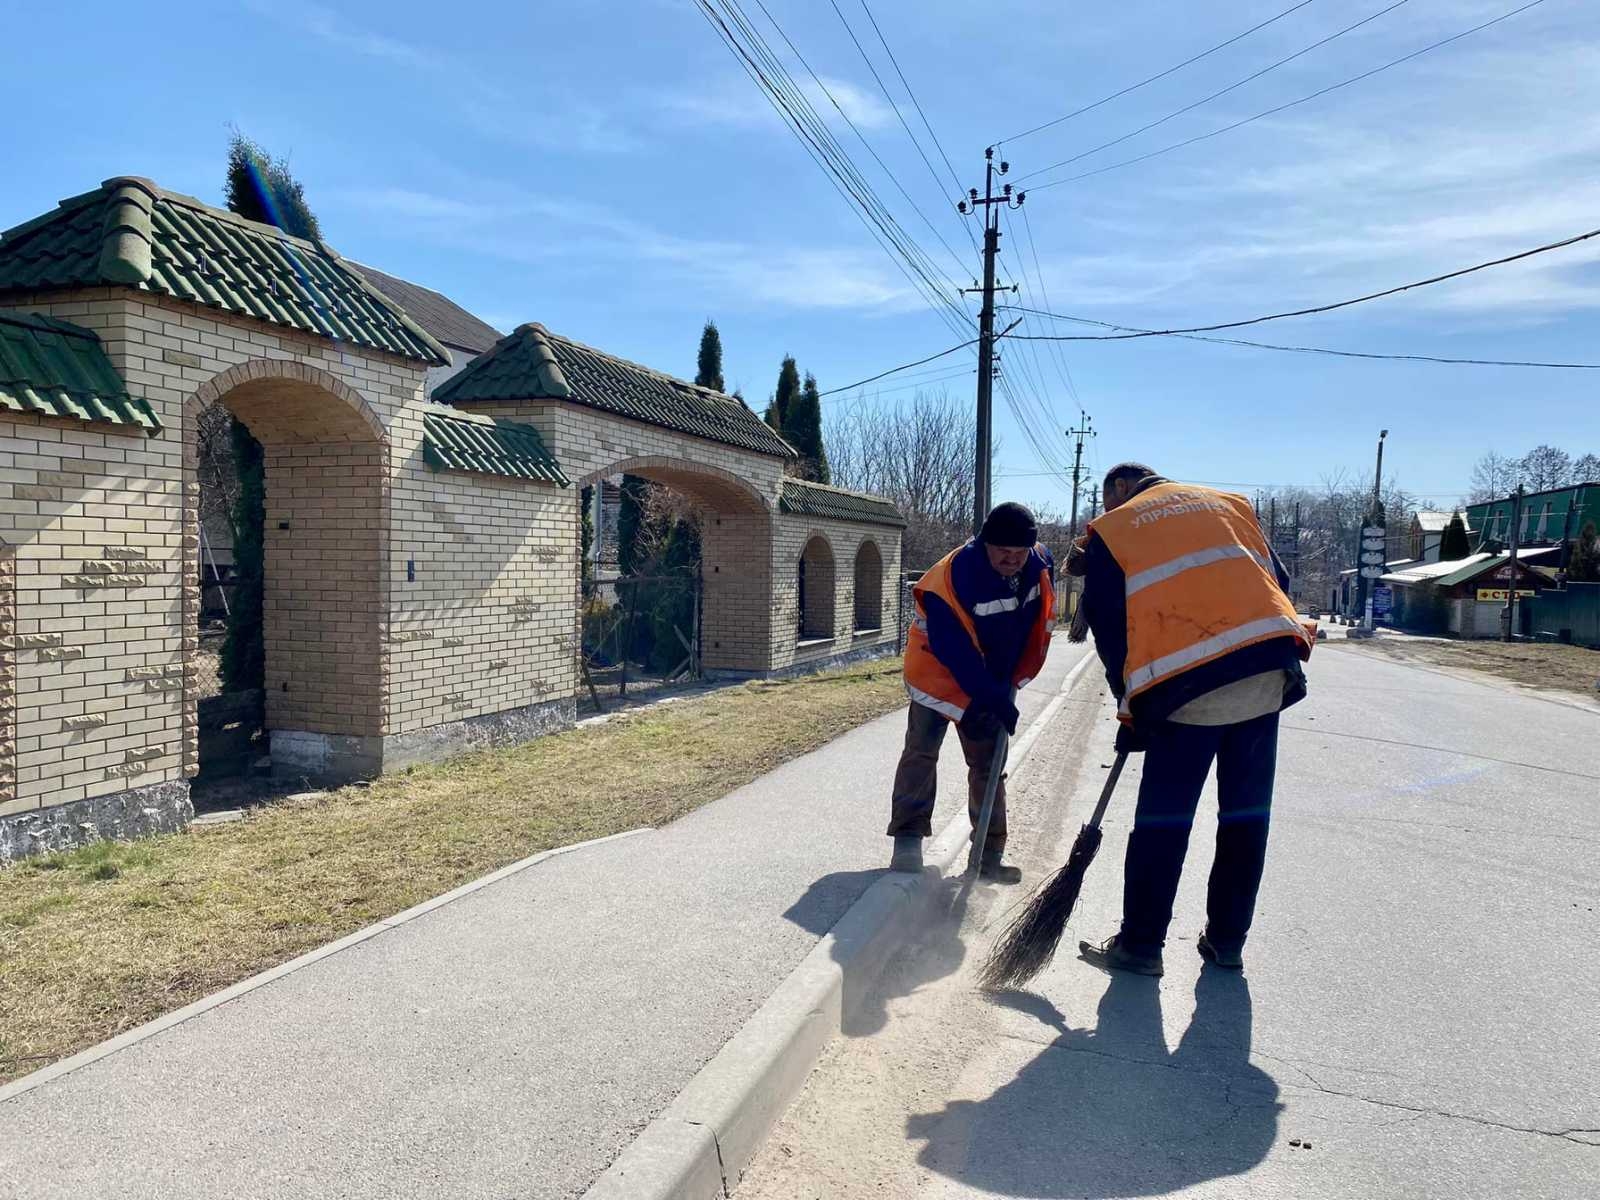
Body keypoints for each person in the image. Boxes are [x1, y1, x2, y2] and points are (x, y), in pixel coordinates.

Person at [1078, 464, 1314, 975]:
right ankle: (1227, 942)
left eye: (1106, 499)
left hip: (1186, 691)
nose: (1106, 510)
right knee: (1245, 819)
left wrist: (1130, 704)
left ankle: (1141, 946)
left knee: (1164, 821)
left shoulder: (1115, 528)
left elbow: (1109, 624)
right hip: (1264, 676)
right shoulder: (1232, 505)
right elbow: (1280, 581)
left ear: (1120, 489)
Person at [888, 502, 1055, 883]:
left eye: (1019, 553)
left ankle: (988, 855)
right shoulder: (954, 577)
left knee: (990, 764)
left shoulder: (1037, 563)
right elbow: (954, 652)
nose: (1012, 560)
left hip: (990, 674)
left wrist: (1000, 689)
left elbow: (1019, 625)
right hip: (937, 671)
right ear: (984, 545)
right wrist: (989, 698)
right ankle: (908, 837)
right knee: (921, 752)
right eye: (1003, 552)